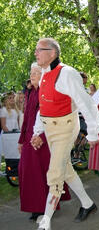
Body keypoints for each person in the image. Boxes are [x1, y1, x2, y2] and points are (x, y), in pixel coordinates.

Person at [29, 38, 99, 230]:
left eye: (39, 50)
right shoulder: (43, 73)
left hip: (66, 128)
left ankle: (44, 227)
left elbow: (85, 102)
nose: (35, 53)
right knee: (66, 169)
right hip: (51, 129)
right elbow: (42, 106)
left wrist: (93, 133)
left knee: (55, 174)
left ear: (52, 53)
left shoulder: (67, 73)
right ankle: (88, 204)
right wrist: (38, 131)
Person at [18, 63, 71, 221]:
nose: (32, 75)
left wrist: (41, 136)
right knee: (27, 171)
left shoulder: (46, 92)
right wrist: (21, 140)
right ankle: (37, 205)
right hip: (29, 139)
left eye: (36, 72)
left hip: (44, 138)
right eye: (31, 72)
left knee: (42, 172)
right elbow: (27, 118)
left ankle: (43, 207)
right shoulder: (30, 93)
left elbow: (53, 116)